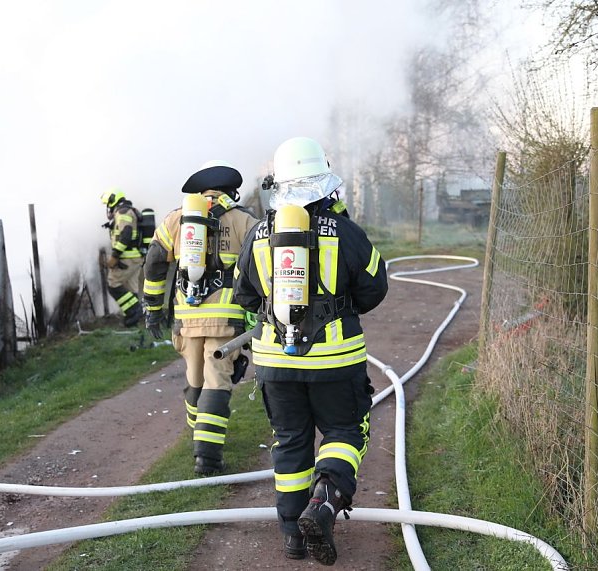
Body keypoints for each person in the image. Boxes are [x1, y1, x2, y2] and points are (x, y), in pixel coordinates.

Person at [233, 137, 388, 565]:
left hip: (275, 364)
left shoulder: (260, 235)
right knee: (343, 432)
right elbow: (376, 286)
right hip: (337, 361)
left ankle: (292, 537)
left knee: (290, 441)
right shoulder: (345, 231)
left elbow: (243, 295)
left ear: (278, 185)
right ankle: (322, 503)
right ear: (323, 182)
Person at [142, 160, 258, 475]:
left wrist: (153, 309)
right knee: (217, 379)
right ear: (230, 190)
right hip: (226, 321)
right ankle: (207, 457)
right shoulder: (243, 220)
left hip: (186, 319)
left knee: (195, 378)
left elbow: (154, 264)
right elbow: (260, 267)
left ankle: (200, 436)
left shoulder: (175, 220)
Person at [101, 188, 145, 327]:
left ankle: (135, 311)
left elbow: (126, 234)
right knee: (131, 288)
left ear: (113, 202)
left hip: (127, 258)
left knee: (113, 284)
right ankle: (133, 321)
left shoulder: (122, 212)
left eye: (108, 204)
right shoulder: (127, 211)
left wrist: (114, 256)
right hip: (135, 257)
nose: (108, 208)